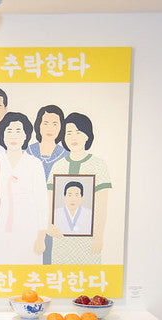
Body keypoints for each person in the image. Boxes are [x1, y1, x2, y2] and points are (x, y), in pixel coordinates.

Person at [47, 112, 111, 264]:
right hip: (61, 239)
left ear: (87, 136)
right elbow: (49, 201)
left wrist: (98, 237)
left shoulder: (98, 165)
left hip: (88, 240)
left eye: (78, 132)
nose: (73, 137)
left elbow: (102, 205)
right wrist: (49, 225)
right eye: (69, 133)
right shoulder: (58, 166)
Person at [0, 112, 48, 264]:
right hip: (0, 226)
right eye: (9, 131)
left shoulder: (34, 164)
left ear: (25, 136)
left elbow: (42, 202)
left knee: (28, 268)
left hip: (29, 227)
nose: (13, 136)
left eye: (18, 131)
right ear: (2, 135)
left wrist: (41, 237)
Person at [27, 105, 68, 265]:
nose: (50, 128)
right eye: (45, 123)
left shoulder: (66, 156)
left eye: (55, 124)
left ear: (61, 127)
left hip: (56, 220)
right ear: (38, 125)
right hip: (30, 218)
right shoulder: (27, 153)